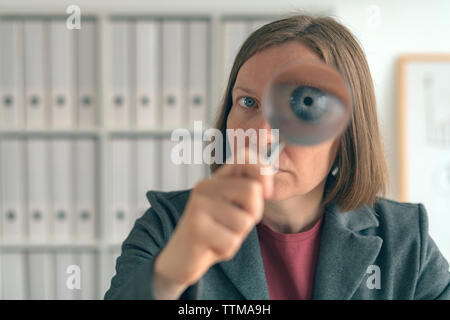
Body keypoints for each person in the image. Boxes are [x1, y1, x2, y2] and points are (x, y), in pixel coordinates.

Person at [104, 14, 450, 300]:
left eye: (303, 105)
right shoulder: (169, 225)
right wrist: (168, 275)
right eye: (248, 103)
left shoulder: (405, 239)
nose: (263, 134)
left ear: (348, 129)